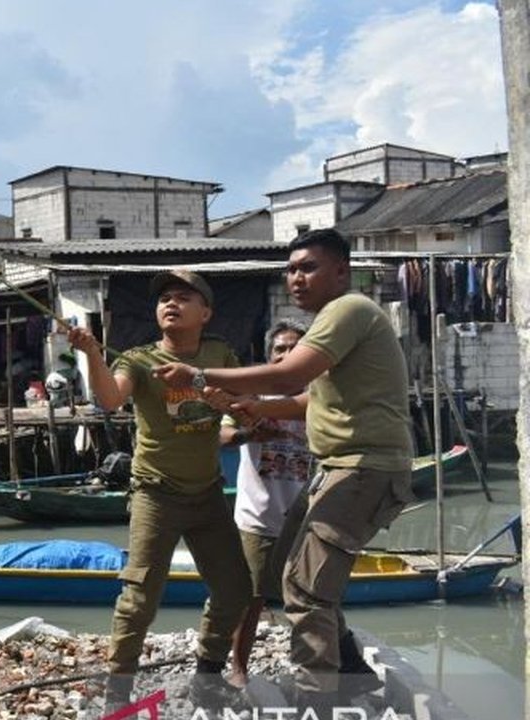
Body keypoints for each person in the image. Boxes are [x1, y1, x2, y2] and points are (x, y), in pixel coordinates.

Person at [153, 229, 413, 709]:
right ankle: (354, 675)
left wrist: (199, 375)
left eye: (308, 267)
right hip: (342, 467)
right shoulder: (334, 325)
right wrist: (253, 406)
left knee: (306, 592)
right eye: (291, 269)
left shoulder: (348, 310)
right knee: (289, 573)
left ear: (342, 271)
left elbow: (291, 374)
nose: (296, 277)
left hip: (362, 467)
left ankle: (319, 701)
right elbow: (309, 400)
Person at [66, 269, 251, 711]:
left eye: (184, 297)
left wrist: (224, 409)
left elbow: (241, 406)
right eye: (165, 297)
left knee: (235, 591)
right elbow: (111, 399)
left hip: (207, 493)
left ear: (205, 312)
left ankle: (208, 674)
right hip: (155, 493)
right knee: (139, 599)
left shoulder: (219, 352)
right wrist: (92, 353)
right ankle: (118, 696)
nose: (171, 303)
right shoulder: (137, 359)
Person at [217, 319, 310, 686]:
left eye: (295, 349)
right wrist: (250, 432)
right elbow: (221, 435)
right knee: (251, 598)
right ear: (270, 357)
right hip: (258, 516)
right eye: (280, 350)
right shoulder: (251, 400)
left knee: (308, 597)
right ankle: (238, 669)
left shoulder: (317, 397)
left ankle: (311, 664)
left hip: (304, 515)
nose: (287, 355)